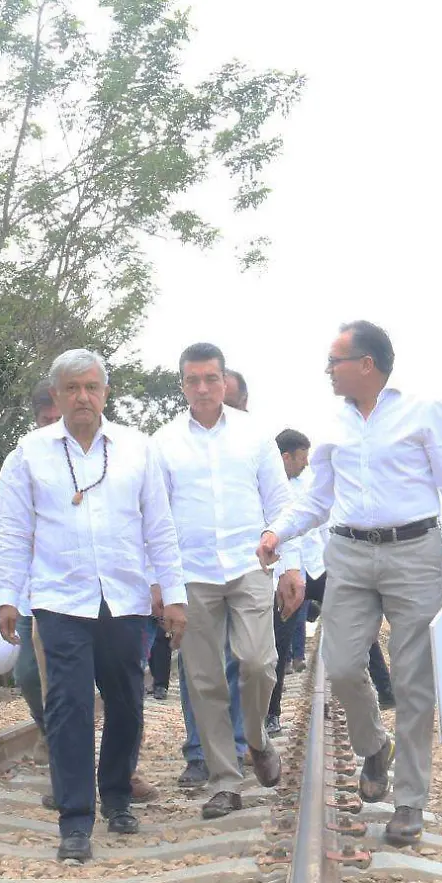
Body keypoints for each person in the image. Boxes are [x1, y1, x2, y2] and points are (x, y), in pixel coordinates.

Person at [260, 321, 442, 848]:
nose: (328, 372)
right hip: (350, 554)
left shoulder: (425, 411)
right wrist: (278, 531)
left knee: (411, 679)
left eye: (334, 361)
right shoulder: (333, 423)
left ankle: (409, 801)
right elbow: (317, 499)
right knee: (339, 664)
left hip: (414, 551)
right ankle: (373, 745)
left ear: (366, 364)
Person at [0, 349, 187, 861]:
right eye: (71, 388)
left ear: (105, 393)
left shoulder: (138, 450)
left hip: (124, 598)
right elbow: (9, 529)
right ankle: (75, 819)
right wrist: (6, 593)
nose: (82, 397)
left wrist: (175, 595)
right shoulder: (28, 454)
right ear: (55, 395)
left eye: (91, 387)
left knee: (126, 700)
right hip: (59, 598)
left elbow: (160, 528)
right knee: (68, 705)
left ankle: (117, 794)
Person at [153, 343, 296, 819]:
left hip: (249, 562)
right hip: (190, 572)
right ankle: (225, 780)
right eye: (193, 380)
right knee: (204, 679)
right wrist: (162, 584)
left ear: (224, 381)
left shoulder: (254, 437)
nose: (203, 388)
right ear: (183, 385)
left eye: (210, 379)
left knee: (256, 662)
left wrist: (290, 564)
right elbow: (155, 517)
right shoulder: (164, 442)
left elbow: (280, 504)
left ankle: (255, 738)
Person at [11, 383, 61, 735]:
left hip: (91, 592)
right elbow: (7, 528)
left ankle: (123, 769)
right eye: (48, 419)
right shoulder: (23, 459)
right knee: (29, 674)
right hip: (35, 590)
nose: (54, 425)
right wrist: (2, 588)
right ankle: (48, 730)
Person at [269, 428, 326, 732]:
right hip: (281, 575)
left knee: (351, 609)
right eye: (302, 457)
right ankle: (271, 713)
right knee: (277, 646)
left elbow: (323, 522)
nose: (306, 463)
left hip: (312, 568)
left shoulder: (307, 484)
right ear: (286, 457)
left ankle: (383, 686)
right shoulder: (265, 484)